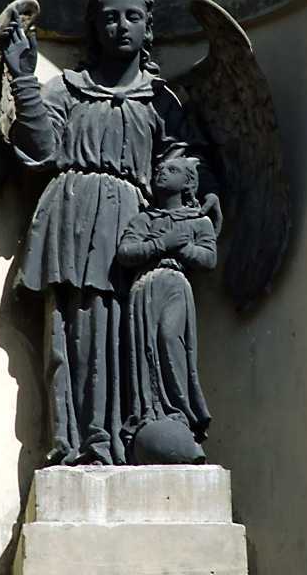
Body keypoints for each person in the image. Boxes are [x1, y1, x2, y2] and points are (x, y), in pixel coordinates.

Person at [1, 0, 221, 465]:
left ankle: (136, 434)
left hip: (133, 223)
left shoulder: (162, 102)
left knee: (134, 331)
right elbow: (40, 149)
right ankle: (83, 443)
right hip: (73, 216)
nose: (121, 26)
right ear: (94, 28)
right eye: (110, 18)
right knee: (80, 331)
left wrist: (199, 197)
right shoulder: (66, 91)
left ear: (148, 28)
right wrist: (24, 81)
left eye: (132, 17)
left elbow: (187, 164)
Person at [117, 157, 215, 463]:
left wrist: (182, 248)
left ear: (187, 182)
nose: (161, 172)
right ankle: (148, 410)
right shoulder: (143, 219)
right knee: (144, 348)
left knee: (169, 339)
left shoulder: (199, 221)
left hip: (174, 284)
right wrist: (163, 243)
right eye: (159, 169)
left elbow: (208, 258)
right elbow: (126, 252)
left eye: (172, 170)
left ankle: (180, 411)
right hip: (143, 288)